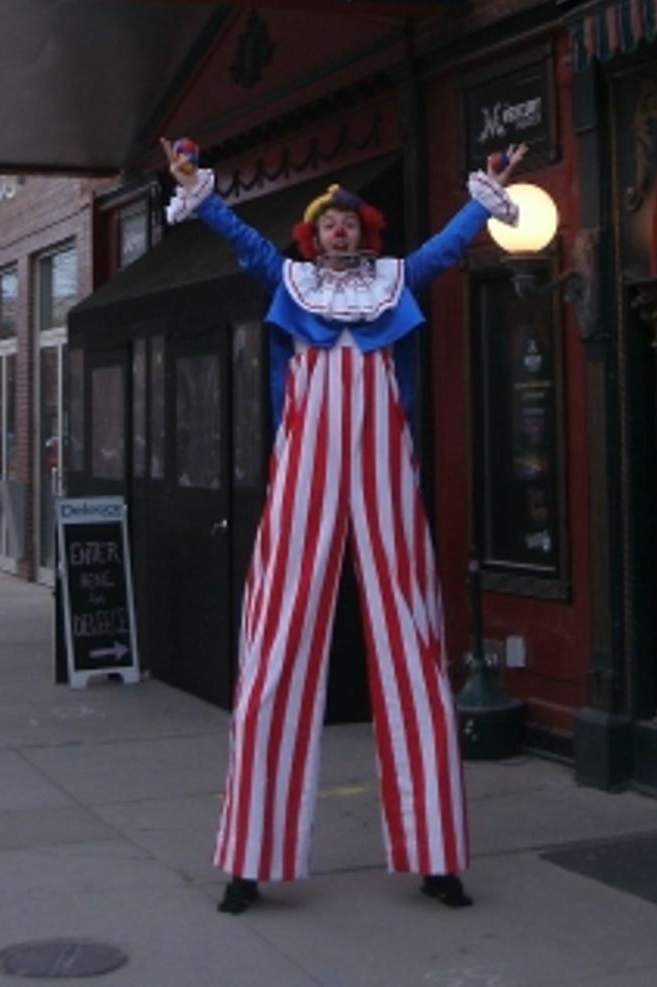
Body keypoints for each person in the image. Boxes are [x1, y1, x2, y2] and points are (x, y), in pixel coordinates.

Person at [162, 136, 526, 915]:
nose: (342, 229)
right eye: (330, 222)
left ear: (366, 234)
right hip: (304, 475)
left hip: (387, 473)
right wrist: (199, 189)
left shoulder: (396, 281)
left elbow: (443, 249)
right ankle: (248, 861)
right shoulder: (287, 278)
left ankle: (437, 857)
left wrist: (483, 196)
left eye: (352, 222)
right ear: (312, 234)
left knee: (416, 647)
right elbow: (243, 241)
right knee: (276, 643)